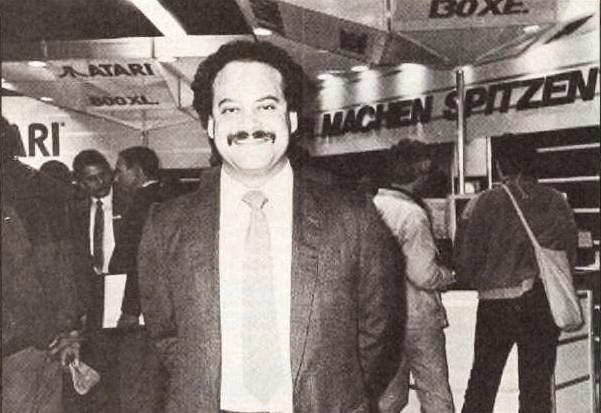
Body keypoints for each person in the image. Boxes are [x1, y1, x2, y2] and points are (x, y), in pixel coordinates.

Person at [137, 40, 404, 413]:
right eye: (230, 109)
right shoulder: (166, 225)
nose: (249, 125)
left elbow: (380, 333)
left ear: (291, 119)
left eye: (266, 106)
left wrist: (335, 395)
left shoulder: (352, 217)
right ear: (211, 125)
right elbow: (165, 335)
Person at [454, 139, 578, 413]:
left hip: (495, 305)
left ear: (500, 167)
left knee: (482, 383)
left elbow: (464, 261)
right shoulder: (556, 201)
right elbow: (571, 255)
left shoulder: (481, 203)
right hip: (539, 302)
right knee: (536, 389)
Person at [2, 117, 83, 413]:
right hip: (55, 332)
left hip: (19, 335)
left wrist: (45, 332)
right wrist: (68, 328)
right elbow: (71, 263)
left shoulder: (8, 194)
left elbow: (18, 270)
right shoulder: (47, 186)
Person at [374, 139, 456, 413]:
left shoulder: (371, 207)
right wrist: (448, 276)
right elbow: (423, 274)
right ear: (420, 168)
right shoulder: (412, 214)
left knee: (389, 398)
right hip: (418, 317)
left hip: (383, 318)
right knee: (435, 395)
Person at [68, 149, 129, 413]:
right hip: (93, 292)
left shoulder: (130, 203)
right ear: (80, 182)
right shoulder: (75, 211)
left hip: (125, 289)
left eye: (103, 175)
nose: (100, 183)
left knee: (127, 363)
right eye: (91, 179)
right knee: (97, 363)